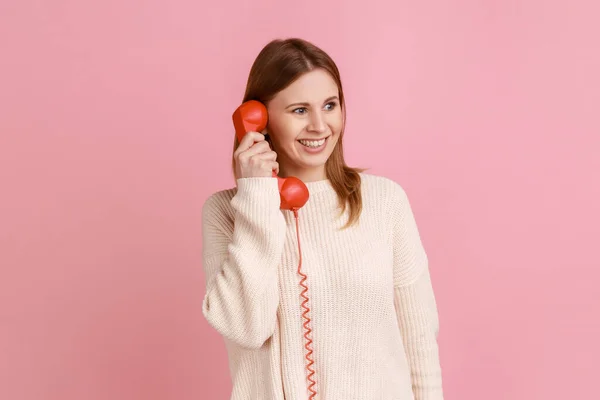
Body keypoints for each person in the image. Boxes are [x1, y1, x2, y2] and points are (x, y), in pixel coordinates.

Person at [201, 37, 444, 400]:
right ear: (260, 119)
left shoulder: (385, 201)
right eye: (299, 110)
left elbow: (419, 337)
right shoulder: (225, 213)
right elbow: (247, 328)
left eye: (330, 105)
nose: (319, 125)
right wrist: (257, 198)